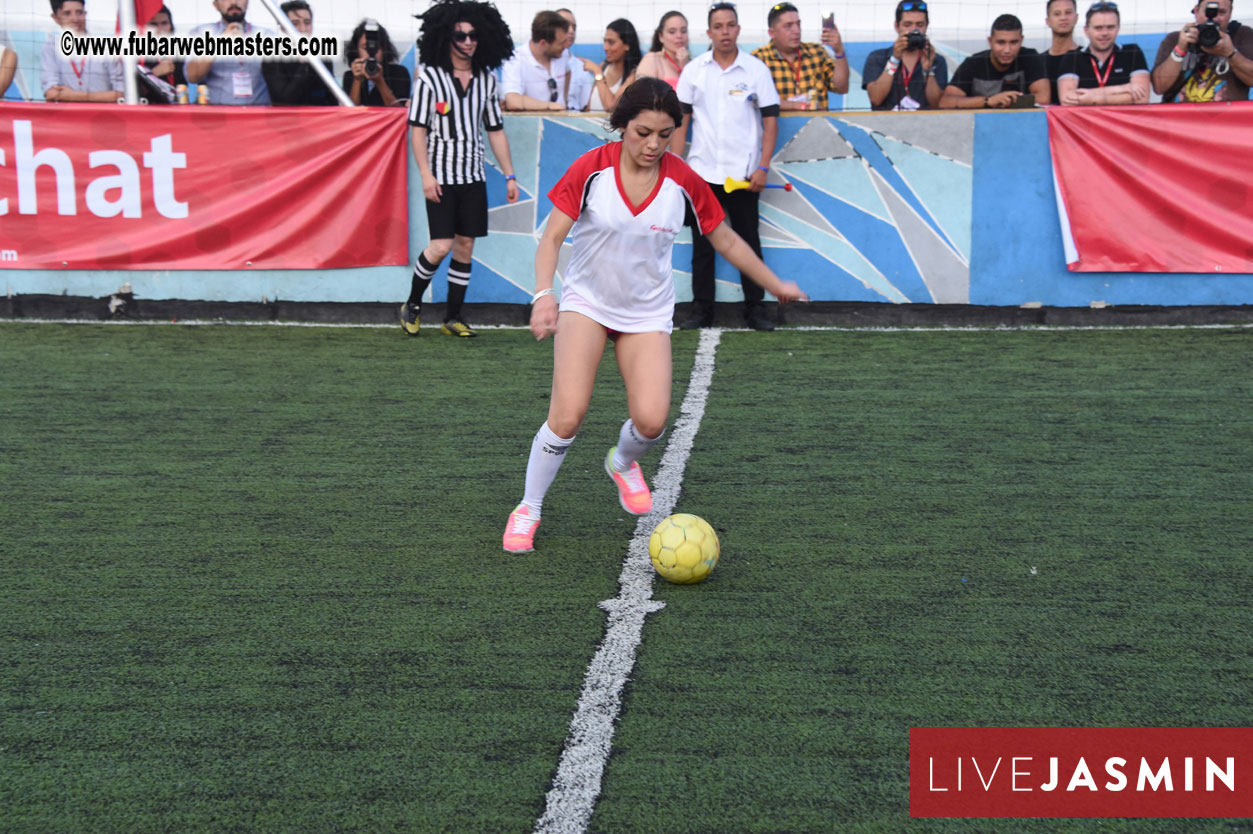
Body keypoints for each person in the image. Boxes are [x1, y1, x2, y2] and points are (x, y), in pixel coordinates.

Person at [502, 77, 808, 554]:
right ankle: (528, 508)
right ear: (622, 125)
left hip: (646, 313)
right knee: (567, 416)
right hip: (586, 303)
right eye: (643, 132)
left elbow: (724, 239)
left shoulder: (682, 179)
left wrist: (774, 285)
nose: (653, 144)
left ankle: (623, 463)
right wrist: (545, 295)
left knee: (651, 421)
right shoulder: (591, 169)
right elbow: (552, 239)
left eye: (664, 134)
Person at [402, 0, 520, 338]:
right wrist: (425, 173)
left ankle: (453, 317)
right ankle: (412, 304)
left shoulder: (487, 80)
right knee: (440, 245)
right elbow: (418, 129)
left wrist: (510, 175)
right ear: (446, 37)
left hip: (473, 177)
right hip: (440, 177)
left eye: (473, 35)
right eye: (460, 35)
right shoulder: (430, 80)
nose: (468, 41)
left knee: (466, 245)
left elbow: (495, 130)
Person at [670, 2, 781, 332]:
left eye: (730, 25)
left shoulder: (755, 70)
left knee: (748, 241)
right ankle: (702, 310)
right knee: (703, 246)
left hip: (744, 176)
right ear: (709, 32)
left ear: (738, 29)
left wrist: (763, 166)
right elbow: (681, 123)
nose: (725, 32)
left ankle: (755, 308)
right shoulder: (694, 70)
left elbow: (770, 121)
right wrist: (677, 171)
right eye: (718, 26)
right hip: (702, 174)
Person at [751, 1, 849, 111]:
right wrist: (799, 106)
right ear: (772, 33)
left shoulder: (816, 52)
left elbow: (842, 88)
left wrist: (839, 52)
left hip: (818, 126)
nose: (796, 31)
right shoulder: (758, 59)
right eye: (788, 26)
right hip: (779, 127)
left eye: (798, 24)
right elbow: (755, 99)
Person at [1151, 0, 1253, 102]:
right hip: (1179, 117)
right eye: (1208, 12)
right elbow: (1159, 87)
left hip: (1227, 117)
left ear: (1230, 13)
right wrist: (1180, 50)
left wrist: (1231, 53)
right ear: (1196, 11)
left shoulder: (1242, 35)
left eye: (1221, 12)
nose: (1214, 18)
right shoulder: (1175, 39)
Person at [940, 14, 1050, 107]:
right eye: (1001, 42)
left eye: (1013, 42)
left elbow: (1044, 98)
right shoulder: (973, 63)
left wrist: (1008, 100)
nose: (1007, 50)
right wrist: (989, 101)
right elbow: (945, 102)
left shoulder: (1029, 57)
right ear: (990, 41)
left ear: (1021, 40)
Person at [1057, 2, 1150, 105]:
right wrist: (1122, 88)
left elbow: (1142, 98)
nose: (1104, 33)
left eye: (1110, 27)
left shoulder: (1132, 52)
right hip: (1086, 121)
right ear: (1086, 31)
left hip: (1122, 120)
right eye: (1098, 28)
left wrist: (1092, 97)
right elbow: (1067, 99)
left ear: (1118, 28)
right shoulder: (1072, 57)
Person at [862, 0, 948, 110]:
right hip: (885, 125)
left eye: (920, 25)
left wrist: (928, 70)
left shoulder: (937, 60)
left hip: (925, 125)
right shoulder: (878, 57)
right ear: (897, 26)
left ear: (926, 26)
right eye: (907, 25)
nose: (914, 30)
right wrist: (894, 60)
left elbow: (937, 104)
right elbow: (876, 98)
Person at [185, 0, 272, 105]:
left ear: (247, 3)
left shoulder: (267, 35)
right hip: (220, 116)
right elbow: (193, 76)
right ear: (216, 5)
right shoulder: (201, 33)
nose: (234, 2)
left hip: (259, 116)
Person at [41, 0, 124, 102]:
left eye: (79, 12)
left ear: (85, 14)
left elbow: (122, 94)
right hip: (67, 116)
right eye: (67, 13)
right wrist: (103, 96)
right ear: (55, 18)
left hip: (103, 115)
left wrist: (71, 95)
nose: (75, 19)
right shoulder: (51, 46)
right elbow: (51, 93)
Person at [262, 0, 336, 106]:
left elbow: (332, 100)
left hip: (319, 120)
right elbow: (283, 100)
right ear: (283, 28)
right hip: (289, 121)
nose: (303, 29)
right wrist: (305, 65)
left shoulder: (323, 58)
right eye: (295, 24)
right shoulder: (273, 59)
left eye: (307, 22)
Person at [500, 10, 570, 111]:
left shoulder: (564, 54)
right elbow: (513, 101)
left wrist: (564, 101)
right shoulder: (515, 60)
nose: (565, 46)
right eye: (561, 43)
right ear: (543, 43)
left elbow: (568, 72)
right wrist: (551, 106)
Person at [577, 18, 641, 111]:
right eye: (605, 41)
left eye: (611, 42)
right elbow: (589, 106)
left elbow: (611, 107)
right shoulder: (604, 66)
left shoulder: (634, 75)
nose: (605, 47)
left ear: (627, 45)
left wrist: (598, 72)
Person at [342, 19, 410, 107]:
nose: (371, 53)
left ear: (384, 49)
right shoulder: (350, 76)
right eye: (365, 47)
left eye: (376, 48)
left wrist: (380, 81)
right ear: (356, 49)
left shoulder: (399, 73)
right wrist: (357, 80)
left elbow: (398, 110)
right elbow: (350, 111)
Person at [635, 10, 689, 89]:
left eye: (683, 31)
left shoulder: (693, 65)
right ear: (661, 37)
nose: (679, 35)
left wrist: (686, 67)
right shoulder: (652, 59)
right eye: (672, 32)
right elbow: (641, 95)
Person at [1043, 0, 1081, 105]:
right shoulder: (1038, 61)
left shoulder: (1086, 57)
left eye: (1068, 12)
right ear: (1048, 21)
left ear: (1076, 18)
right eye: (1057, 14)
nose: (1063, 17)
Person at [140, 6, 185, 90]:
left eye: (164, 23)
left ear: (171, 26)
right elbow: (133, 92)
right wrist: (154, 74)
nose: (160, 29)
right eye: (153, 24)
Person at [556, 9, 591, 111]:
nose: (571, 31)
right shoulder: (536, 61)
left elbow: (585, 108)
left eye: (574, 27)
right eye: (566, 26)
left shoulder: (581, 67)